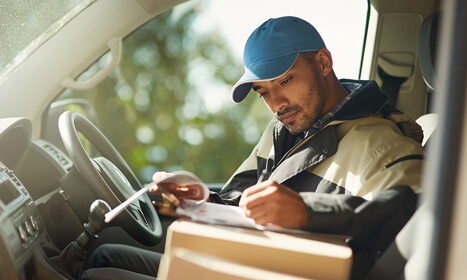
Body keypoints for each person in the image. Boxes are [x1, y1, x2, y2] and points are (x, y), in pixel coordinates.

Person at [82, 16, 424, 280]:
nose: (276, 103)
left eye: (285, 81)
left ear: (323, 63)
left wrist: (308, 211)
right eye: (263, 91)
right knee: (106, 256)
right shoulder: (283, 131)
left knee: (98, 275)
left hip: (287, 272)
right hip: (247, 259)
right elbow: (238, 202)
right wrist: (202, 200)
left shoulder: (382, 141)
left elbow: (417, 213)